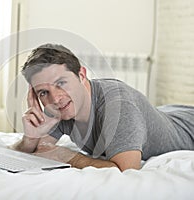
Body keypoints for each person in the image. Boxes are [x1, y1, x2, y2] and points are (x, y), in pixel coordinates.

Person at [13, 43, 194, 171]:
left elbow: (126, 170)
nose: (56, 98)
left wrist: (68, 156)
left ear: (81, 75)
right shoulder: (60, 107)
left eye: (61, 83)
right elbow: (40, 149)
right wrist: (30, 137)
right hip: (167, 112)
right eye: (43, 92)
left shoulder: (119, 107)